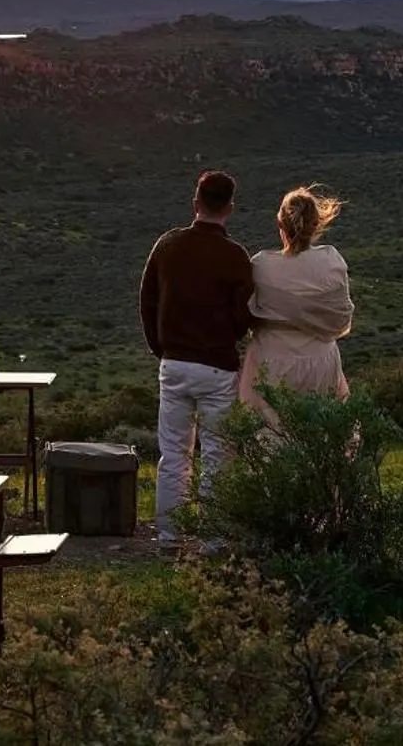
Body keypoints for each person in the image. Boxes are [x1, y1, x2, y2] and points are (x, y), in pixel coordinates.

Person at [139, 170, 257, 544]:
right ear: (230, 209)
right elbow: (245, 315)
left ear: (196, 203)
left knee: (173, 454)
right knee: (218, 457)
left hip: (173, 364)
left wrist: (163, 348)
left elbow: (147, 301)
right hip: (217, 366)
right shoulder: (235, 256)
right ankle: (213, 542)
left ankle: (170, 537)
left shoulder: (168, 244)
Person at [237, 187, 352, 422]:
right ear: (316, 223)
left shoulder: (261, 265)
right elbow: (341, 316)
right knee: (323, 425)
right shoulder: (331, 260)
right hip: (321, 359)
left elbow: (245, 313)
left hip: (271, 360)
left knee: (270, 430)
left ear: (281, 225)